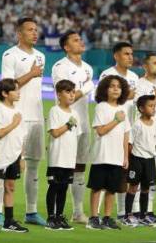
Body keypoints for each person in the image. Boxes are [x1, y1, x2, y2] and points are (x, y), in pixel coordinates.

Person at [0, 17, 46, 226]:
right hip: (17, 117)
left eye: (36, 29)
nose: (35, 33)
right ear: (19, 33)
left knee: (34, 165)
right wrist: (32, 73)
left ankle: (31, 211)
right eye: (30, 30)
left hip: (36, 117)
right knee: (7, 164)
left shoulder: (41, 56)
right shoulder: (10, 55)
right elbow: (7, 86)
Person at [51, 30, 95, 224]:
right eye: (76, 40)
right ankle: (56, 213)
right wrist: (86, 88)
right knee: (63, 169)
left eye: (80, 38)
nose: (80, 42)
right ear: (66, 47)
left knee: (80, 167)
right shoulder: (60, 67)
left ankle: (78, 212)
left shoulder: (87, 68)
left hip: (83, 122)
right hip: (64, 122)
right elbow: (66, 96)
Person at [0, 79, 28, 234]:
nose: (18, 92)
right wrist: (14, 123)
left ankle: (9, 221)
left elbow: (21, 137)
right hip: (0, 155)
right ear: (4, 93)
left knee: (10, 187)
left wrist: (22, 157)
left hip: (14, 155)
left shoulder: (18, 111)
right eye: (15, 90)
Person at [99, 42, 139, 219]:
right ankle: (97, 214)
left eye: (131, 54)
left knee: (124, 172)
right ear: (116, 56)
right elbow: (101, 99)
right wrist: (126, 95)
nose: (130, 57)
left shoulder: (134, 77)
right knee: (106, 173)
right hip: (110, 128)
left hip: (127, 129)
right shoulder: (108, 74)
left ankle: (123, 212)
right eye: (126, 54)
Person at [86, 75, 130, 230]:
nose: (116, 88)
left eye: (118, 86)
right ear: (105, 89)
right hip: (102, 155)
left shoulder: (123, 109)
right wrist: (116, 120)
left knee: (112, 189)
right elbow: (101, 131)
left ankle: (106, 217)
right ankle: (93, 218)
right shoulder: (101, 107)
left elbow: (126, 135)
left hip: (117, 157)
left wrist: (125, 156)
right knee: (97, 187)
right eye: (112, 86)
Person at [135, 53, 156, 223]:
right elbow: (141, 109)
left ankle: (148, 211)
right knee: (139, 178)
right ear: (145, 66)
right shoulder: (140, 85)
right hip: (144, 138)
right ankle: (135, 211)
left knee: (152, 178)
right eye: (155, 63)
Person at [45, 80, 82, 231]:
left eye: (73, 92)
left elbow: (76, 136)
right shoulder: (55, 111)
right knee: (54, 186)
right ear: (59, 94)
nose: (71, 95)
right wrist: (68, 125)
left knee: (64, 188)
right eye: (68, 92)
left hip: (69, 158)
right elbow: (54, 132)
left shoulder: (75, 113)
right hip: (57, 157)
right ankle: (51, 217)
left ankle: (60, 216)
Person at [123, 95, 156, 227]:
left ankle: (143, 216)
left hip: (150, 160)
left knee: (146, 188)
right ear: (141, 109)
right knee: (133, 187)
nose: (153, 108)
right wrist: (130, 160)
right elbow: (130, 144)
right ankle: (127, 215)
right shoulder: (137, 125)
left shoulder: (155, 124)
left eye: (154, 106)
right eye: (150, 106)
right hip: (137, 160)